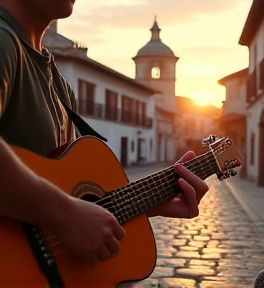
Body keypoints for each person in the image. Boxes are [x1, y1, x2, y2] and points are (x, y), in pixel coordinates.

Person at [0, 0, 209, 266]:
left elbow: (65, 191)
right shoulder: (4, 42)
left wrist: (141, 201)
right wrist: (66, 215)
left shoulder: (59, 86)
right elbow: (66, 209)